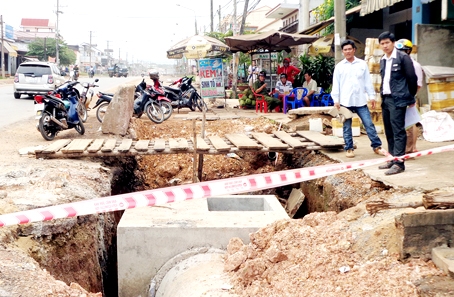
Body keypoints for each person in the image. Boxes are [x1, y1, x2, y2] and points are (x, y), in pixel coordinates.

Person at [331, 39, 384, 159]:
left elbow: (367, 82)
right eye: (345, 50)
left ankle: (377, 146)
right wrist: (336, 100)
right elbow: (336, 84)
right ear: (343, 52)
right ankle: (349, 148)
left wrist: (372, 97)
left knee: (369, 124)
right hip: (345, 101)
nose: (348, 51)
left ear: (354, 50)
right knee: (346, 126)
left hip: (360, 100)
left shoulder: (362, 64)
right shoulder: (339, 67)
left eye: (350, 49)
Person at [378, 31, 418, 175]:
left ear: (393, 43)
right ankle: (391, 158)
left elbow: (412, 79)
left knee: (398, 131)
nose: (385, 46)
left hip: (398, 99)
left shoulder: (403, 57)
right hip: (386, 99)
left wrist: (409, 96)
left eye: (387, 43)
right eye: (382, 44)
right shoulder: (383, 59)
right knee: (388, 130)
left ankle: (399, 163)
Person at [395, 39, 423, 155]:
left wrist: (411, 97)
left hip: (408, 97)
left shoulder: (415, 65)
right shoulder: (397, 64)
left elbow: (418, 84)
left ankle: (409, 149)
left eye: (402, 51)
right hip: (398, 97)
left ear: (408, 51)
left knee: (410, 124)